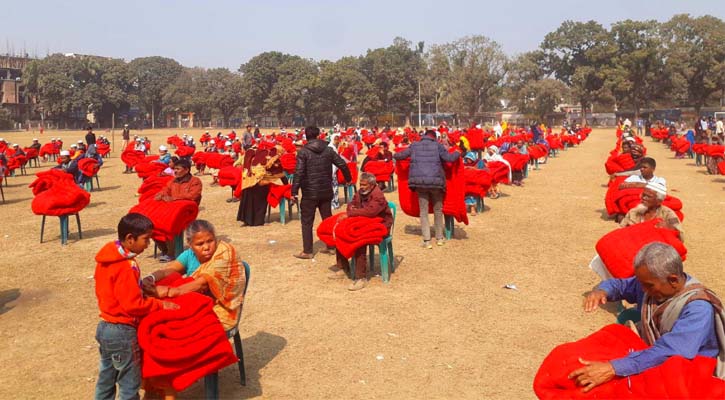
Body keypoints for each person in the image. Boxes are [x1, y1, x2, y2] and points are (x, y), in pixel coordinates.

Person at [571, 242, 724, 392]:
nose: (643, 289)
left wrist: (614, 368)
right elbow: (620, 285)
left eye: (648, 285)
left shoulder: (698, 308)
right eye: (641, 284)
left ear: (673, 280)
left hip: (689, 375)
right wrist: (602, 291)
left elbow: (671, 351)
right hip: (651, 358)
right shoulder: (652, 283)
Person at [93, 213, 178, 400]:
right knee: (129, 384)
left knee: (106, 378)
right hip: (122, 330)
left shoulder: (107, 258)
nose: (148, 245)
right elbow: (133, 305)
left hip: (105, 327)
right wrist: (160, 304)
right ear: (130, 239)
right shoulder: (125, 266)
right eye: (146, 239)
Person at [143, 220, 245, 330]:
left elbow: (201, 284)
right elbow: (169, 270)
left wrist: (168, 292)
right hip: (192, 300)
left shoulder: (223, 254)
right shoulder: (189, 255)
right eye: (200, 244)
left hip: (217, 307)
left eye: (210, 241)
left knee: (172, 326)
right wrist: (150, 278)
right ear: (190, 244)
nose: (206, 247)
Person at [393, 129, 460, 248]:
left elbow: (400, 156)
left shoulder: (414, 146)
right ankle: (439, 238)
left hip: (420, 184)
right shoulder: (438, 146)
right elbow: (449, 159)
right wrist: (458, 153)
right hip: (436, 183)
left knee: (423, 212)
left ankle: (427, 240)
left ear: (424, 136)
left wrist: (394, 153)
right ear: (434, 137)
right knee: (438, 211)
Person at [292, 126, 351, 259]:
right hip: (326, 191)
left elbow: (299, 173)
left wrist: (294, 192)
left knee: (307, 222)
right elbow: (342, 164)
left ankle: (307, 251)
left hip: (309, 192)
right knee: (328, 219)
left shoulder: (303, 152)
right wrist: (348, 179)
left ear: (306, 137)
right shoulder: (328, 150)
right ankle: (331, 246)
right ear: (319, 135)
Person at [328, 172, 393, 291]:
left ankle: (360, 277)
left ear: (372, 185)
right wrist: (351, 209)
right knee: (341, 232)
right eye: (360, 184)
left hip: (380, 225)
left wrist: (351, 213)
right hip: (364, 222)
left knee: (359, 240)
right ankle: (343, 267)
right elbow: (352, 204)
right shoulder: (360, 192)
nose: (361, 187)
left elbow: (371, 212)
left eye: (364, 185)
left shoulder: (378, 195)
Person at [154, 158, 203, 262]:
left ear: (186, 170)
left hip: (188, 211)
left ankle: (173, 253)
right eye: (174, 169)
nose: (175, 171)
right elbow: (164, 191)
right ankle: (165, 249)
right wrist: (160, 196)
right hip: (172, 209)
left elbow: (193, 196)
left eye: (178, 169)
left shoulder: (195, 181)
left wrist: (174, 199)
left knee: (173, 223)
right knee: (153, 223)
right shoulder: (172, 181)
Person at [236, 141, 286, 226]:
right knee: (260, 201)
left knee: (248, 199)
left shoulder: (257, 152)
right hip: (260, 181)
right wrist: (286, 184)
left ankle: (246, 220)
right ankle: (257, 221)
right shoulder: (273, 156)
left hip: (249, 178)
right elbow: (280, 173)